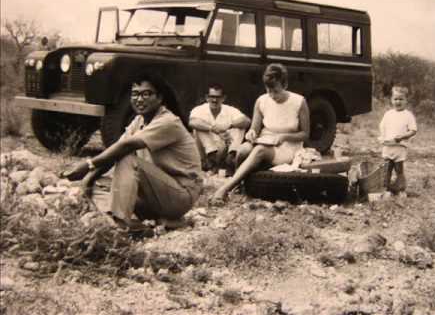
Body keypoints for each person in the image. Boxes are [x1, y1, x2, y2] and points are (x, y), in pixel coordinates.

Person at [62, 70, 203, 234]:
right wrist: (88, 180)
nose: (139, 99)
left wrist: (88, 165)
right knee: (100, 186)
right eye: (135, 94)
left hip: (181, 195)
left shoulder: (168, 121)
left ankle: (120, 225)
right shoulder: (140, 120)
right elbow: (116, 150)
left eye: (146, 94)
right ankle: (146, 226)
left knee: (129, 159)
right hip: (156, 193)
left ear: (159, 98)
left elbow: (126, 147)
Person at [211, 63, 310, 204]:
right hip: (265, 140)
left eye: (275, 91)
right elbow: (254, 129)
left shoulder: (299, 102)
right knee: (242, 151)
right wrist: (251, 134)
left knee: (259, 151)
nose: (272, 95)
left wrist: (284, 136)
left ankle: (225, 189)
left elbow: (305, 134)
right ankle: (240, 186)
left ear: (285, 85)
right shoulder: (261, 101)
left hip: (288, 145)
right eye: (268, 90)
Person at [189, 84, 251, 175]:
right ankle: (211, 159)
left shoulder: (229, 110)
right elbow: (192, 122)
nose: (214, 100)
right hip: (204, 152)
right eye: (212, 97)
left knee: (239, 126)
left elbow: (247, 121)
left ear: (223, 98)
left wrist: (228, 126)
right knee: (199, 127)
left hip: (223, 150)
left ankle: (231, 157)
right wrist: (213, 129)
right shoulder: (199, 110)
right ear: (207, 97)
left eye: (218, 97)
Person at [378, 85, 417, 198]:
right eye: (395, 99)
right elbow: (382, 127)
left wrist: (403, 137)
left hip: (400, 147)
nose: (398, 101)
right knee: (386, 168)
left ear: (406, 101)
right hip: (388, 146)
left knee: (399, 169)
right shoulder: (388, 114)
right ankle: (385, 188)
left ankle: (400, 189)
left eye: (401, 99)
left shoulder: (408, 115)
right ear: (391, 100)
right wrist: (383, 137)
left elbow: (413, 130)